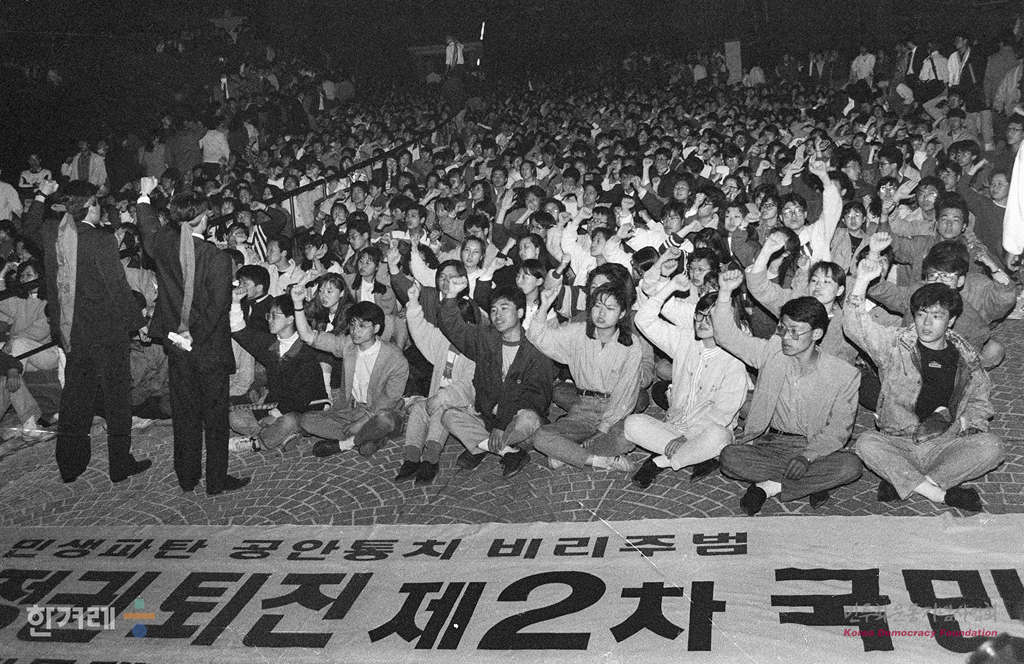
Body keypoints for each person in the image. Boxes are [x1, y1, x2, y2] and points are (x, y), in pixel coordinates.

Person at [844, 259, 1004, 512]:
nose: (926, 324)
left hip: (944, 441)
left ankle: (909, 481)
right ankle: (938, 494)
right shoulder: (895, 344)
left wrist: (969, 424)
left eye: (937, 316)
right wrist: (862, 281)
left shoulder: (966, 356)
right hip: (898, 439)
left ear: (951, 320)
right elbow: (856, 328)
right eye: (921, 315)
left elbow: (979, 400)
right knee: (865, 443)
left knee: (992, 446)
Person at [23, 179, 150, 483]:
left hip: (73, 334)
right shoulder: (101, 240)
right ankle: (120, 465)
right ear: (90, 206)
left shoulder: (54, 234)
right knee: (117, 400)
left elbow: (28, 229)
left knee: (75, 400)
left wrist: (41, 194)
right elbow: (117, 288)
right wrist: (138, 323)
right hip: (108, 334)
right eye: (97, 203)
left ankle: (70, 466)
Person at [713, 269, 862, 515]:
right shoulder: (771, 353)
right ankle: (813, 483)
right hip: (771, 445)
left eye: (795, 332)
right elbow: (725, 336)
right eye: (783, 328)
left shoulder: (844, 374)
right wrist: (725, 293)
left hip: (815, 447)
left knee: (851, 466)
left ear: (816, 334)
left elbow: (838, 430)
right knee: (729, 457)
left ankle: (768, 487)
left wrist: (807, 457)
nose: (786, 338)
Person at [136, 176, 248, 495]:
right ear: (205, 218)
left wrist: (144, 196)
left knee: (185, 415)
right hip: (207, 349)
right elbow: (215, 310)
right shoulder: (216, 257)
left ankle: (187, 477)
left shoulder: (164, 246)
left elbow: (148, 229)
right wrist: (193, 337)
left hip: (176, 346)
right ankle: (216, 480)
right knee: (214, 418)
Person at [626, 279, 748, 488]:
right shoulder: (685, 340)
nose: (702, 322)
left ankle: (659, 462)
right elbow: (643, 320)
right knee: (632, 423)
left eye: (710, 318)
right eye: (699, 315)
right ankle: (699, 456)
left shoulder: (734, 360)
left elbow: (723, 413)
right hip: (674, 426)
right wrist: (671, 287)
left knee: (718, 436)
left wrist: (687, 437)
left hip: (708, 432)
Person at [438, 280, 552, 477]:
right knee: (449, 416)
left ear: (520, 312)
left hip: (516, 421)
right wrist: (450, 297)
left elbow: (537, 398)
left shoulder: (536, 349)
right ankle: (508, 452)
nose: (497, 315)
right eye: (493, 310)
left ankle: (481, 444)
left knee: (528, 419)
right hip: (488, 418)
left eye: (504, 308)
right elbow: (455, 329)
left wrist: (503, 423)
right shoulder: (486, 338)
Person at [526, 281, 642, 472]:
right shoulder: (578, 332)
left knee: (625, 439)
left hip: (613, 409)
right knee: (541, 437)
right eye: (597, 306)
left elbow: (626, 392)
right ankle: (599, 460)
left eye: (610, 308)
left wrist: (604, 427)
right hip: (583, 408)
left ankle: (570, 453)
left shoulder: (631, 344)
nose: (601, 313)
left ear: (622, 314)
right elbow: (538, 337)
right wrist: (544, 306)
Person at [292, 287, 409, 457]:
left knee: (385, 421)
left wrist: (363, 421)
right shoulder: (348, 345)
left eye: (362, 326)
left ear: (376, 328)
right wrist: (297, 303)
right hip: (350, 411)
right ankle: (370, 437)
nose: (355, 331)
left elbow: (389, 399)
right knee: (306, 420)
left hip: (381, 411)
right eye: (353, 325)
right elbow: (309, 336)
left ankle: (347, 443)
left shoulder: (395, 359)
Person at [397, 279, 477, 485]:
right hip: (437, 397)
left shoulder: (476, 350)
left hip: (461, 405)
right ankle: (411, 457)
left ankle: (431, 459)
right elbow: (421, 330)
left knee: (440, 410)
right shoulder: (443, 341)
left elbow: (468, 386)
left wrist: (442, 397)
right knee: (418, 409)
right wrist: (413, 302)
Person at [228, 291, 328, 451]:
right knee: (235, 418)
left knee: (290, 420)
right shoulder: (271, 344)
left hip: (304, 408)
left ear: (290, 319)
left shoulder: (306, 351)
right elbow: (241, 334)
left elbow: (302, 397)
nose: (269, 320)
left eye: (275, 316)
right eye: (269, 315)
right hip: (275, 404)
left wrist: (275, 415)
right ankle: (280, 436)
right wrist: (235, 302)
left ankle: (257, 442)